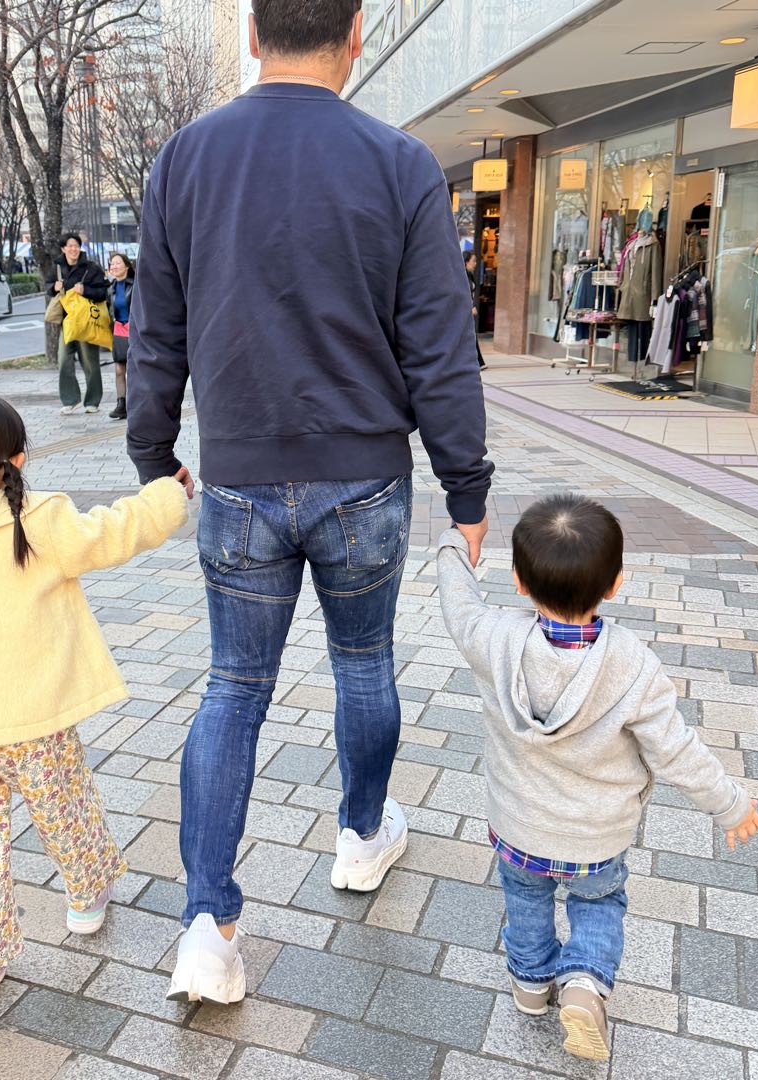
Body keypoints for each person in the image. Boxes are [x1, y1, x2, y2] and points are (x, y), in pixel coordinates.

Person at [128, 0, 492, 1004]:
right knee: (363, 661)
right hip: (364, 476)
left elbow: (157, 328)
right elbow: (440, 344)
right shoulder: (401, 163)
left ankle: (207, 924)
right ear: (357, 31)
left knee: (232, 687)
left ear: (252, 34)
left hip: (239, 476)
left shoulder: (184, 159)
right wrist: (466, 485)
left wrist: (153, 452)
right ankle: (363, 837)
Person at [0, 389, 191, 1023]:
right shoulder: (38, 517)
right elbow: (112, 534)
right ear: (18, 457)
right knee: (63, 805)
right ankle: (86, 898)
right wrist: (167, 495)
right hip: (34, 713)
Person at [436, 494, 758, 1063]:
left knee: (525, 898)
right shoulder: (633, 665)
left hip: (518, 828)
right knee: (600, 902)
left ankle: (531, 987)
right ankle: (585, 984)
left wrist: (454, 544)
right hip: (597, 838)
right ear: (614, 585)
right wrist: (730, 804)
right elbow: (676, 751)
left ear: (518, 581)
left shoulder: (493, 639)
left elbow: (457, 604)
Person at [44, 232, 108, 415]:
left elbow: (102, 292)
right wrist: (53, 287)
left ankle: (93, 401)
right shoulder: (57, 267)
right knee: (64, 360)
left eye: (76, 246)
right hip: (67, 322)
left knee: (90, 362)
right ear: (63, 249)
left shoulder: (91, 268)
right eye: (70, 246)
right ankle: (70, 400)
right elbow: (48, 286)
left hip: (86, 322)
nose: (73, 249)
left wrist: (85, 290)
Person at [106, 252, 134, 420]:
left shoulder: (135, 285)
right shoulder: (111, 288)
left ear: (127, 266)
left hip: (134, 330)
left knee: (133, 369)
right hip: (118, 330)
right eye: (112, 263)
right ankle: (121, 404)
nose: (114, 266)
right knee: (119, 369)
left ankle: (135, 403)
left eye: (118, 263)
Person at [464, 251, 486, 369]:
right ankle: (479, 361)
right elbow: (463, 294)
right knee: (470, 334)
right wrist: (470, 307)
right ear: (466, 262)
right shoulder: (462, 276)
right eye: (473, 261)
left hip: (467, 310)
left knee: (470, 334)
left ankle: (478, 361)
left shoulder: (470, 275)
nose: (475, 263)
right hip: (464, 311)